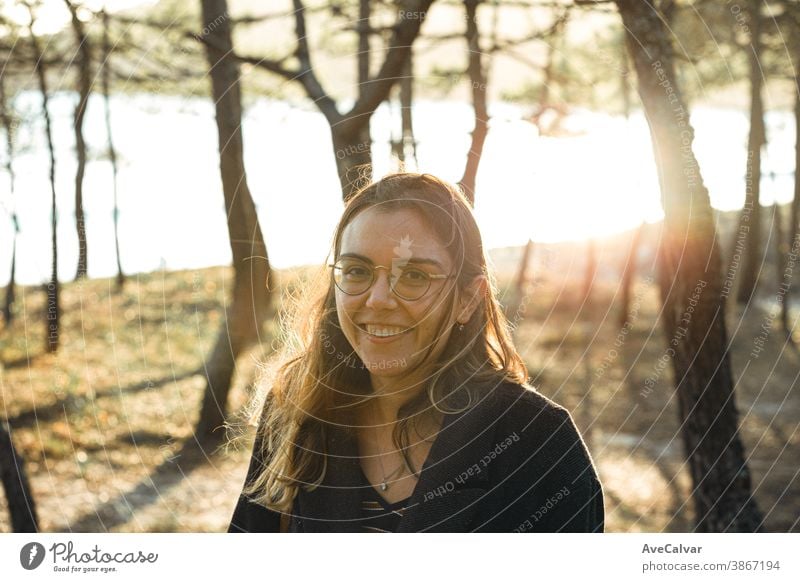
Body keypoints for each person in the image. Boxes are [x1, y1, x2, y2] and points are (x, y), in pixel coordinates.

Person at [229, 172, 604, 533]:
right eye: (357, 270)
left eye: (414, 276)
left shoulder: (540, 442)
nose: (377, 301)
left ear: (467, 299)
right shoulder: (295, 408)